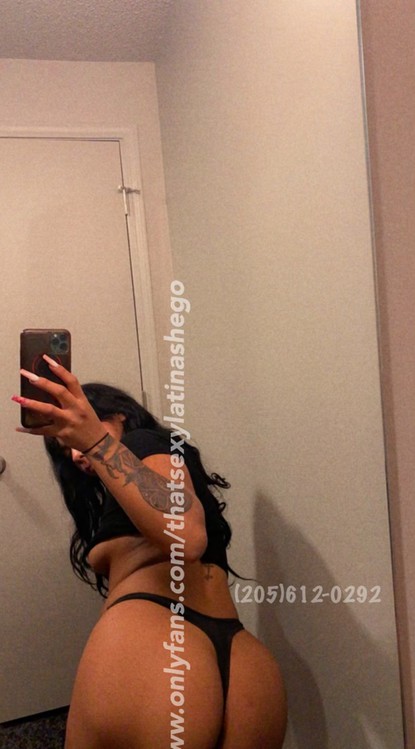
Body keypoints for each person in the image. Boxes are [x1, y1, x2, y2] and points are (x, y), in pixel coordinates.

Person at [13, 355, 287, 749]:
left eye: (74, 435)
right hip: (246, 667)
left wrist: (96, 442)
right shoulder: (143, 479)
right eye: (64, 448)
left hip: (154, 650)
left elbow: (185, 534)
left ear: (120, 416)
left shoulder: (141, 442)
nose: (74, 455)